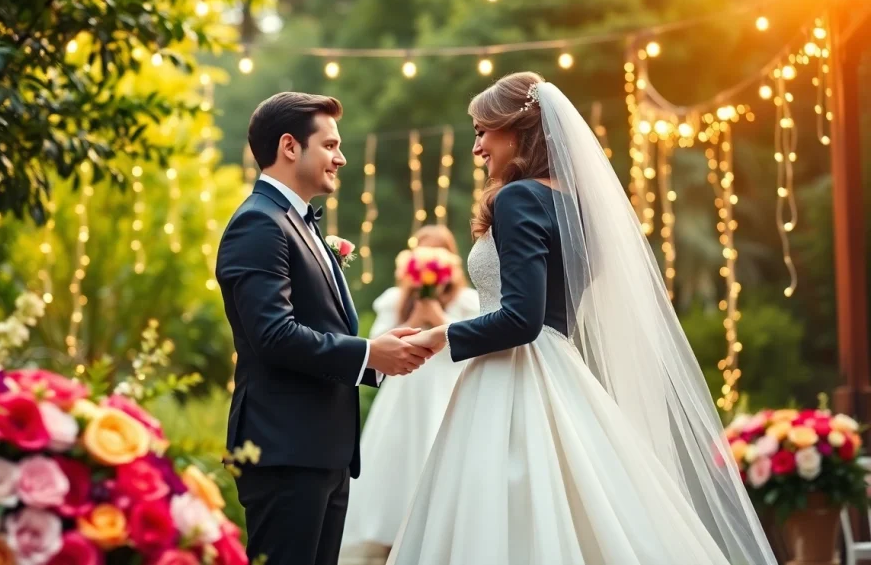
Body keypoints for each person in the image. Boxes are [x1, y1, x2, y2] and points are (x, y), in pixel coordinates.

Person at [388, 73, 777, 565]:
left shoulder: (519, 197)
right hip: (562, 369)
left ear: (518, 129)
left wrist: (442, 334)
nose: (477, 147)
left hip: (514, 375)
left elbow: (522, 320)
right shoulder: (578, 208)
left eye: (483, 131)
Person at [215, 92, 435, 565]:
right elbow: (273, 334)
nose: (342, 157)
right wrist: (367, 355)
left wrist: (377, 353)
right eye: (331, 145)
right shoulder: (258, 224)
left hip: (322, 450)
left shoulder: (299, 223)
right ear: (291, 147)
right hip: (284, 449)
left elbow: (319, 323)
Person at [338, 226, 479, 565]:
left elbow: (470, 348)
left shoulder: (466, 301)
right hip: (405, 390)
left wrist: (436, 315)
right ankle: (388, 538)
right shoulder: (394, 300)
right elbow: (375, 345)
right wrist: (417, 314)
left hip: (443, 389)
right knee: (396, 458)